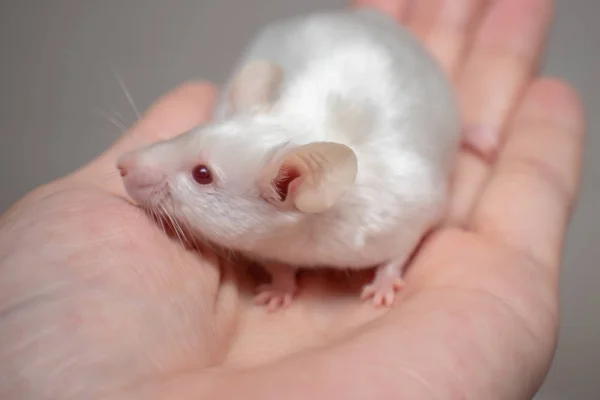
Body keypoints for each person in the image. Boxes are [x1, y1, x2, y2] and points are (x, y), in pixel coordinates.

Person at [0, 0, 585, 398]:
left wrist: (390, 269)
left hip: (401, 84)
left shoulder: (374, 216)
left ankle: (455, 128)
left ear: (295, 189)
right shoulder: (273, 184)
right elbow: (263, 230)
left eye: (200, 175)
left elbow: (422, 200)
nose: (133, 167)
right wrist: (281, 274)